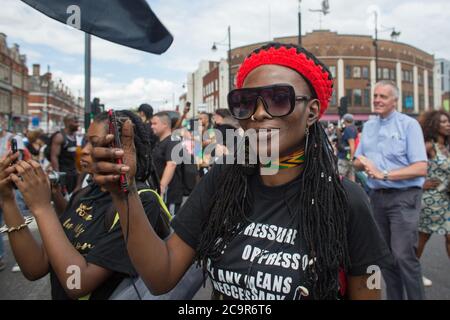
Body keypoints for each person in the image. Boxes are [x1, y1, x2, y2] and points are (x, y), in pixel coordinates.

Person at [91, 42, 391, 300]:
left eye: (278, 98)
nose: (258, 112)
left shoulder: (345, 200)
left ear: (312, 112)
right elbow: (161, 275)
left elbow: (369, 287)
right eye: (245, 102)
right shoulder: (222, 182)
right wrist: (124, 191)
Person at [0, 111, 166, 299]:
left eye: (94, 143)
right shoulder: (85, 194)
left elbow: (78, 283)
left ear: (123, 150)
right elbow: (35, 268)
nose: (85, 150)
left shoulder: (141, 202)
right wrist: (7, 200)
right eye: (86, 141)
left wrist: (43, 208)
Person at [354, 80, 428, 300]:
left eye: (383, 96)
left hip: (404, 198)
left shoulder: (409, 124)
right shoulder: (368, 126)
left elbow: (421, 167)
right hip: (377, 198)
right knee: (385, 257)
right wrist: (362, 163)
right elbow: (358, 159)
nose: (377, 100)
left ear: (395, 101)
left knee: (404, 256)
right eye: (375, 95)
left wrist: (383, 174)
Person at [416, 110, 450, 287]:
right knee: (422, 238)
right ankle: (413, 272)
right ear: (434, 125)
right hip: (431, 202)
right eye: (443, 122)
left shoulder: (448, 147)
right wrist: (421, 183)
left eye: (448, 121)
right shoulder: (429, 146)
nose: (447, 124)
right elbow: (413, 164)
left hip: (447, 200)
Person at [151, 112, 184, 215]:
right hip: (161, 193)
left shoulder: (173, 141)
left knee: (170, 223)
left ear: (165, 124)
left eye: (155, 123)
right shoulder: (159, 142)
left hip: (170, 194)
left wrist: (162, 187)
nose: (152, 126)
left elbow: (171, 164)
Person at [49, 114, 80, 194]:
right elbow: (54, 156)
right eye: (75, 122)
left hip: (73, 173)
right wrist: (58, 175)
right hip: (64, 173)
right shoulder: (59, 137)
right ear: (68, 122)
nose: (78, 124)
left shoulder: (74, 136)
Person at [337, 114, 357, 181]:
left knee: (340, 177)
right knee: (351, 178)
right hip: (349, 157)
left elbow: (352, 144)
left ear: (345, 120)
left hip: (345, 157)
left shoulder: (348, 129)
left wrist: (351, 158)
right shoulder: (354, 128)